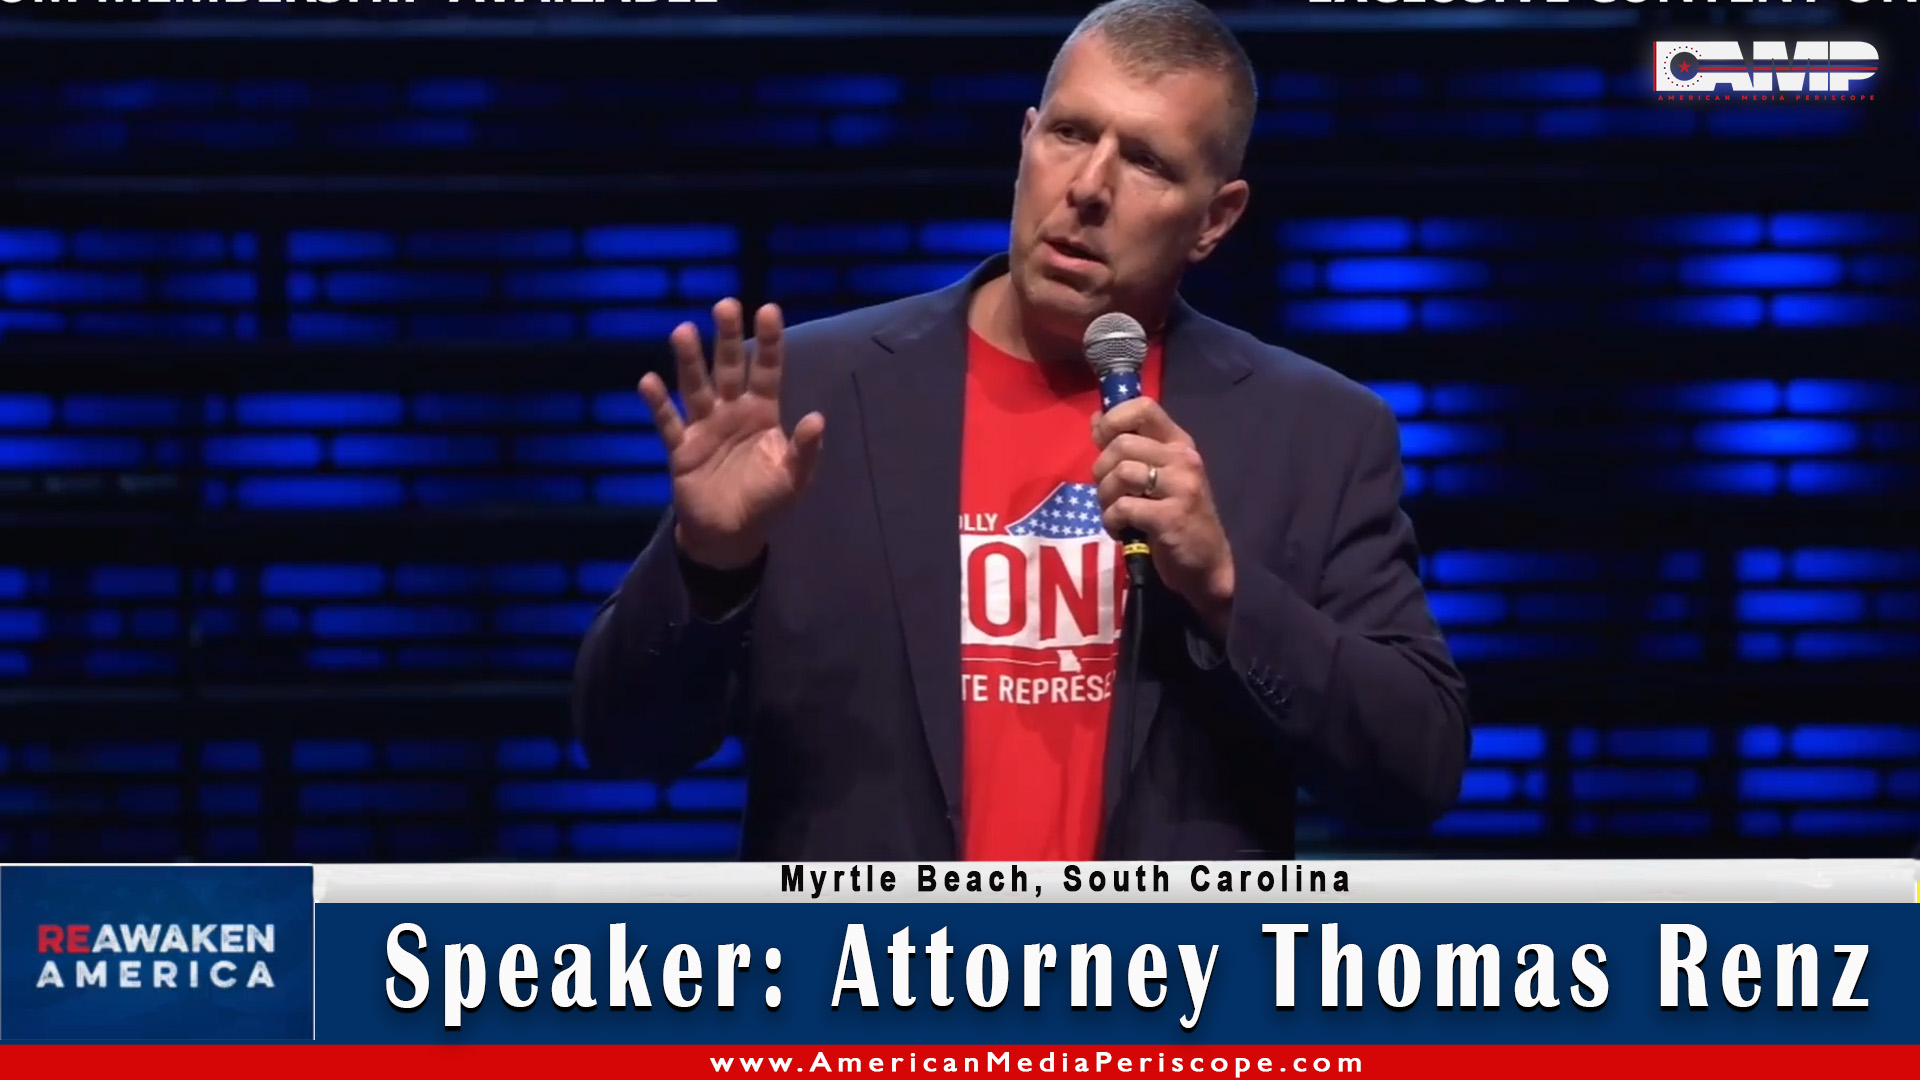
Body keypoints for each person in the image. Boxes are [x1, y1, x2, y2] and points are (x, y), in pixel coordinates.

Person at [573, 0, 1469, 862]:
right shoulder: (812, 400)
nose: (1088, 187)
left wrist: (1226, 591)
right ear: (1026, 141)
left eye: (1147, 162)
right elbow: (622, 743)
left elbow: (1417, 768)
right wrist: (709, 566)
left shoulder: (1315, 432)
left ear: (1215, 219)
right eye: (1071, 134)